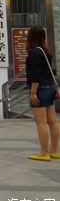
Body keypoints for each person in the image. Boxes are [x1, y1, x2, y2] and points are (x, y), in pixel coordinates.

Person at [25, 25, 60, 162]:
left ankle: (44, 153)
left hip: (40, 89)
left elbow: (35, 74)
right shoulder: (46, 51)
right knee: (53, 122)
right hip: (50, 88)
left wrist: (33, 92)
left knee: (41, 123)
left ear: (31, 36)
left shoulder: (34, 53)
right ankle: (54, 151)